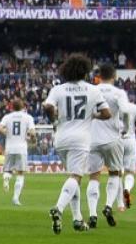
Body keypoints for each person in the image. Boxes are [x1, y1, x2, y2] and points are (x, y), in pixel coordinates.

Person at [43, 54, 110, 234]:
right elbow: (107, 113)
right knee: (76, 177)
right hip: (81, 139)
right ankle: (58, 208)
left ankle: (77, 219)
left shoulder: (58, 89)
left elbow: (47, 107)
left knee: (73, 177)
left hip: (61, 137)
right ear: (85, 71)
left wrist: (54, 121)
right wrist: (93, 115)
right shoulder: (93, 90)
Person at [85, 63, 127, 228]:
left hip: (92, 140)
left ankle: (93, 214)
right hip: (112, 139)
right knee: (115, 173)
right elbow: (125, 111)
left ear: (99, 75)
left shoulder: (90, 90)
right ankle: (108, 206)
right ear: (114, 76)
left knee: (94, 177)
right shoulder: (118, 93)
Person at [0, 99, 36, 206]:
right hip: (21, 148)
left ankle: (6, 178)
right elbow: (32, 132)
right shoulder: (28, 117)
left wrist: (8, 134)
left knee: (8, 170)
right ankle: (15, 198)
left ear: (12, 107)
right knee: (20, 173)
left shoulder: (7, 117)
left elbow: (0, 128)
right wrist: (33, 139)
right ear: (23, 106)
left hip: (9, 147)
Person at [118, 98, 136, 211]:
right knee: (130, 172)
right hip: (130, 140)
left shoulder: (115, 108)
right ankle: (127, 189)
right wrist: (133, 129)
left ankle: (120, 204)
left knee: (117, 173)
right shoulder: (134, 107)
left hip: (118, 140)